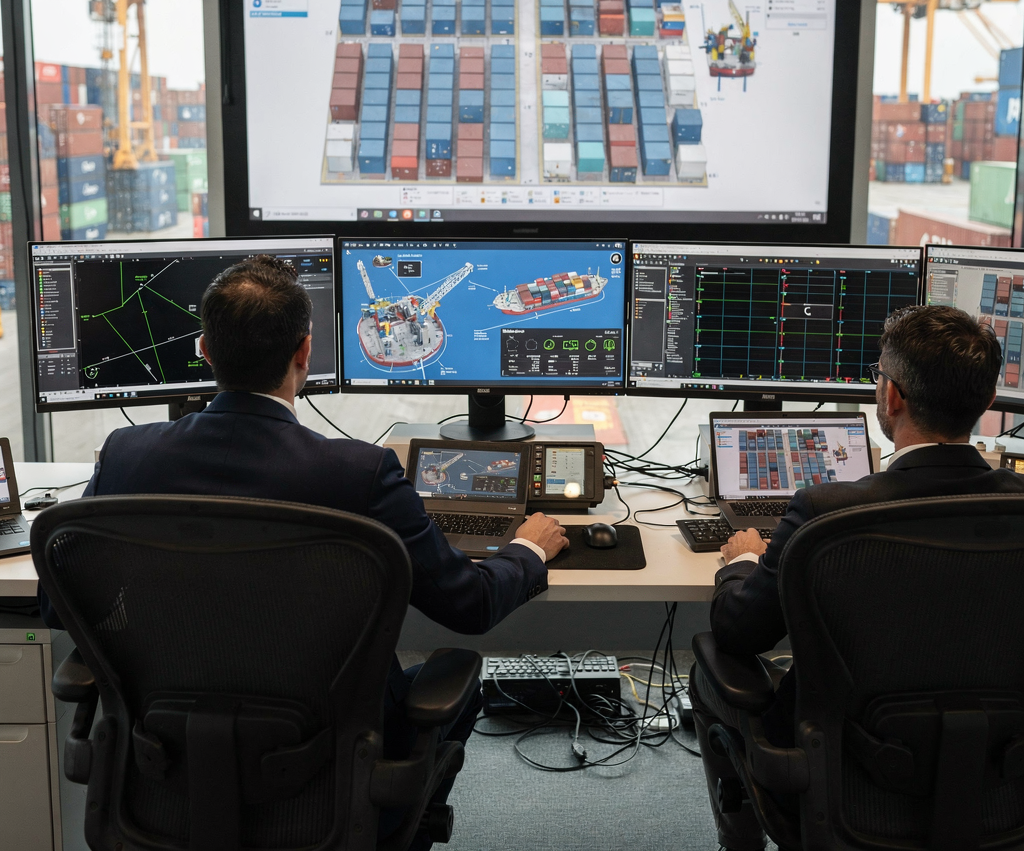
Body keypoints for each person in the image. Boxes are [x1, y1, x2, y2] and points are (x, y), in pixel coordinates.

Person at [38, 254, 568, 849]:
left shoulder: (126, 456)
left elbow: (62, 609)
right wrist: (526, 550)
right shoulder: (359, 473)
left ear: (205, 352)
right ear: (304, 353)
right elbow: (467, 606)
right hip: (324, 766)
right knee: (451, 682)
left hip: (167, 758)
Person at [689, 304, 1024, 851]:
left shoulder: (826, 512)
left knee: (710, 671)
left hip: (851, 786)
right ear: (987, 402)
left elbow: (739, 634)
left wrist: (743, 563)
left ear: (891, 397)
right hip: (999, 786)